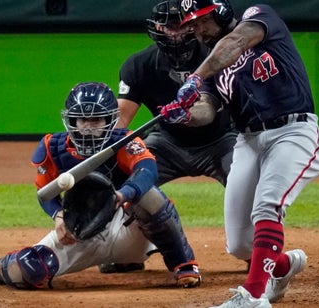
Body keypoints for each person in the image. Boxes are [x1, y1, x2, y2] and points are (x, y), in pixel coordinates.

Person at [159, 1, 319, 307]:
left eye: (200, 21)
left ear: (221, 12)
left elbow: (236, 41)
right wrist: (185, 114)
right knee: (239, 244)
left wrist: (194, 77)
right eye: (192, 25)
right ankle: (281, 266)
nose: (196, 30)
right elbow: (208, 110)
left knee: (267, 207)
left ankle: (252, 297)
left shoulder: (257, 18)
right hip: (248, 140)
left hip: (293, 130)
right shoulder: (212, 63)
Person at [0, 82, 202, 290]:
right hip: (81, 232)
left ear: (110, 120)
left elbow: (147, 171)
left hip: (129, 228)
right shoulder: (53, 148)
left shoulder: (124, 141)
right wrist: (57, 216)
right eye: (82, 119)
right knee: (30, 269)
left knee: (149, 196)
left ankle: (183, 263)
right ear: (71, 120)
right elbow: (45, 193)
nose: (87, 126)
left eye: (96, 119)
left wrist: (123, 194)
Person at [100, 0, 238, 274]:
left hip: (222, 140)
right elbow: (121, 122)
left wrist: (188, 113)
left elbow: (218, 106)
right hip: (167, 143)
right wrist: (99, 155)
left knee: (247, 182)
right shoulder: (138, 65)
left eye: (181, 25)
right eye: (168, 26)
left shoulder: (217, 55)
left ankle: (254, 248)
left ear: (193, 24)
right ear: (156, 28)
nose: (174, 33)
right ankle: (130, 251)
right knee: (123, 177)